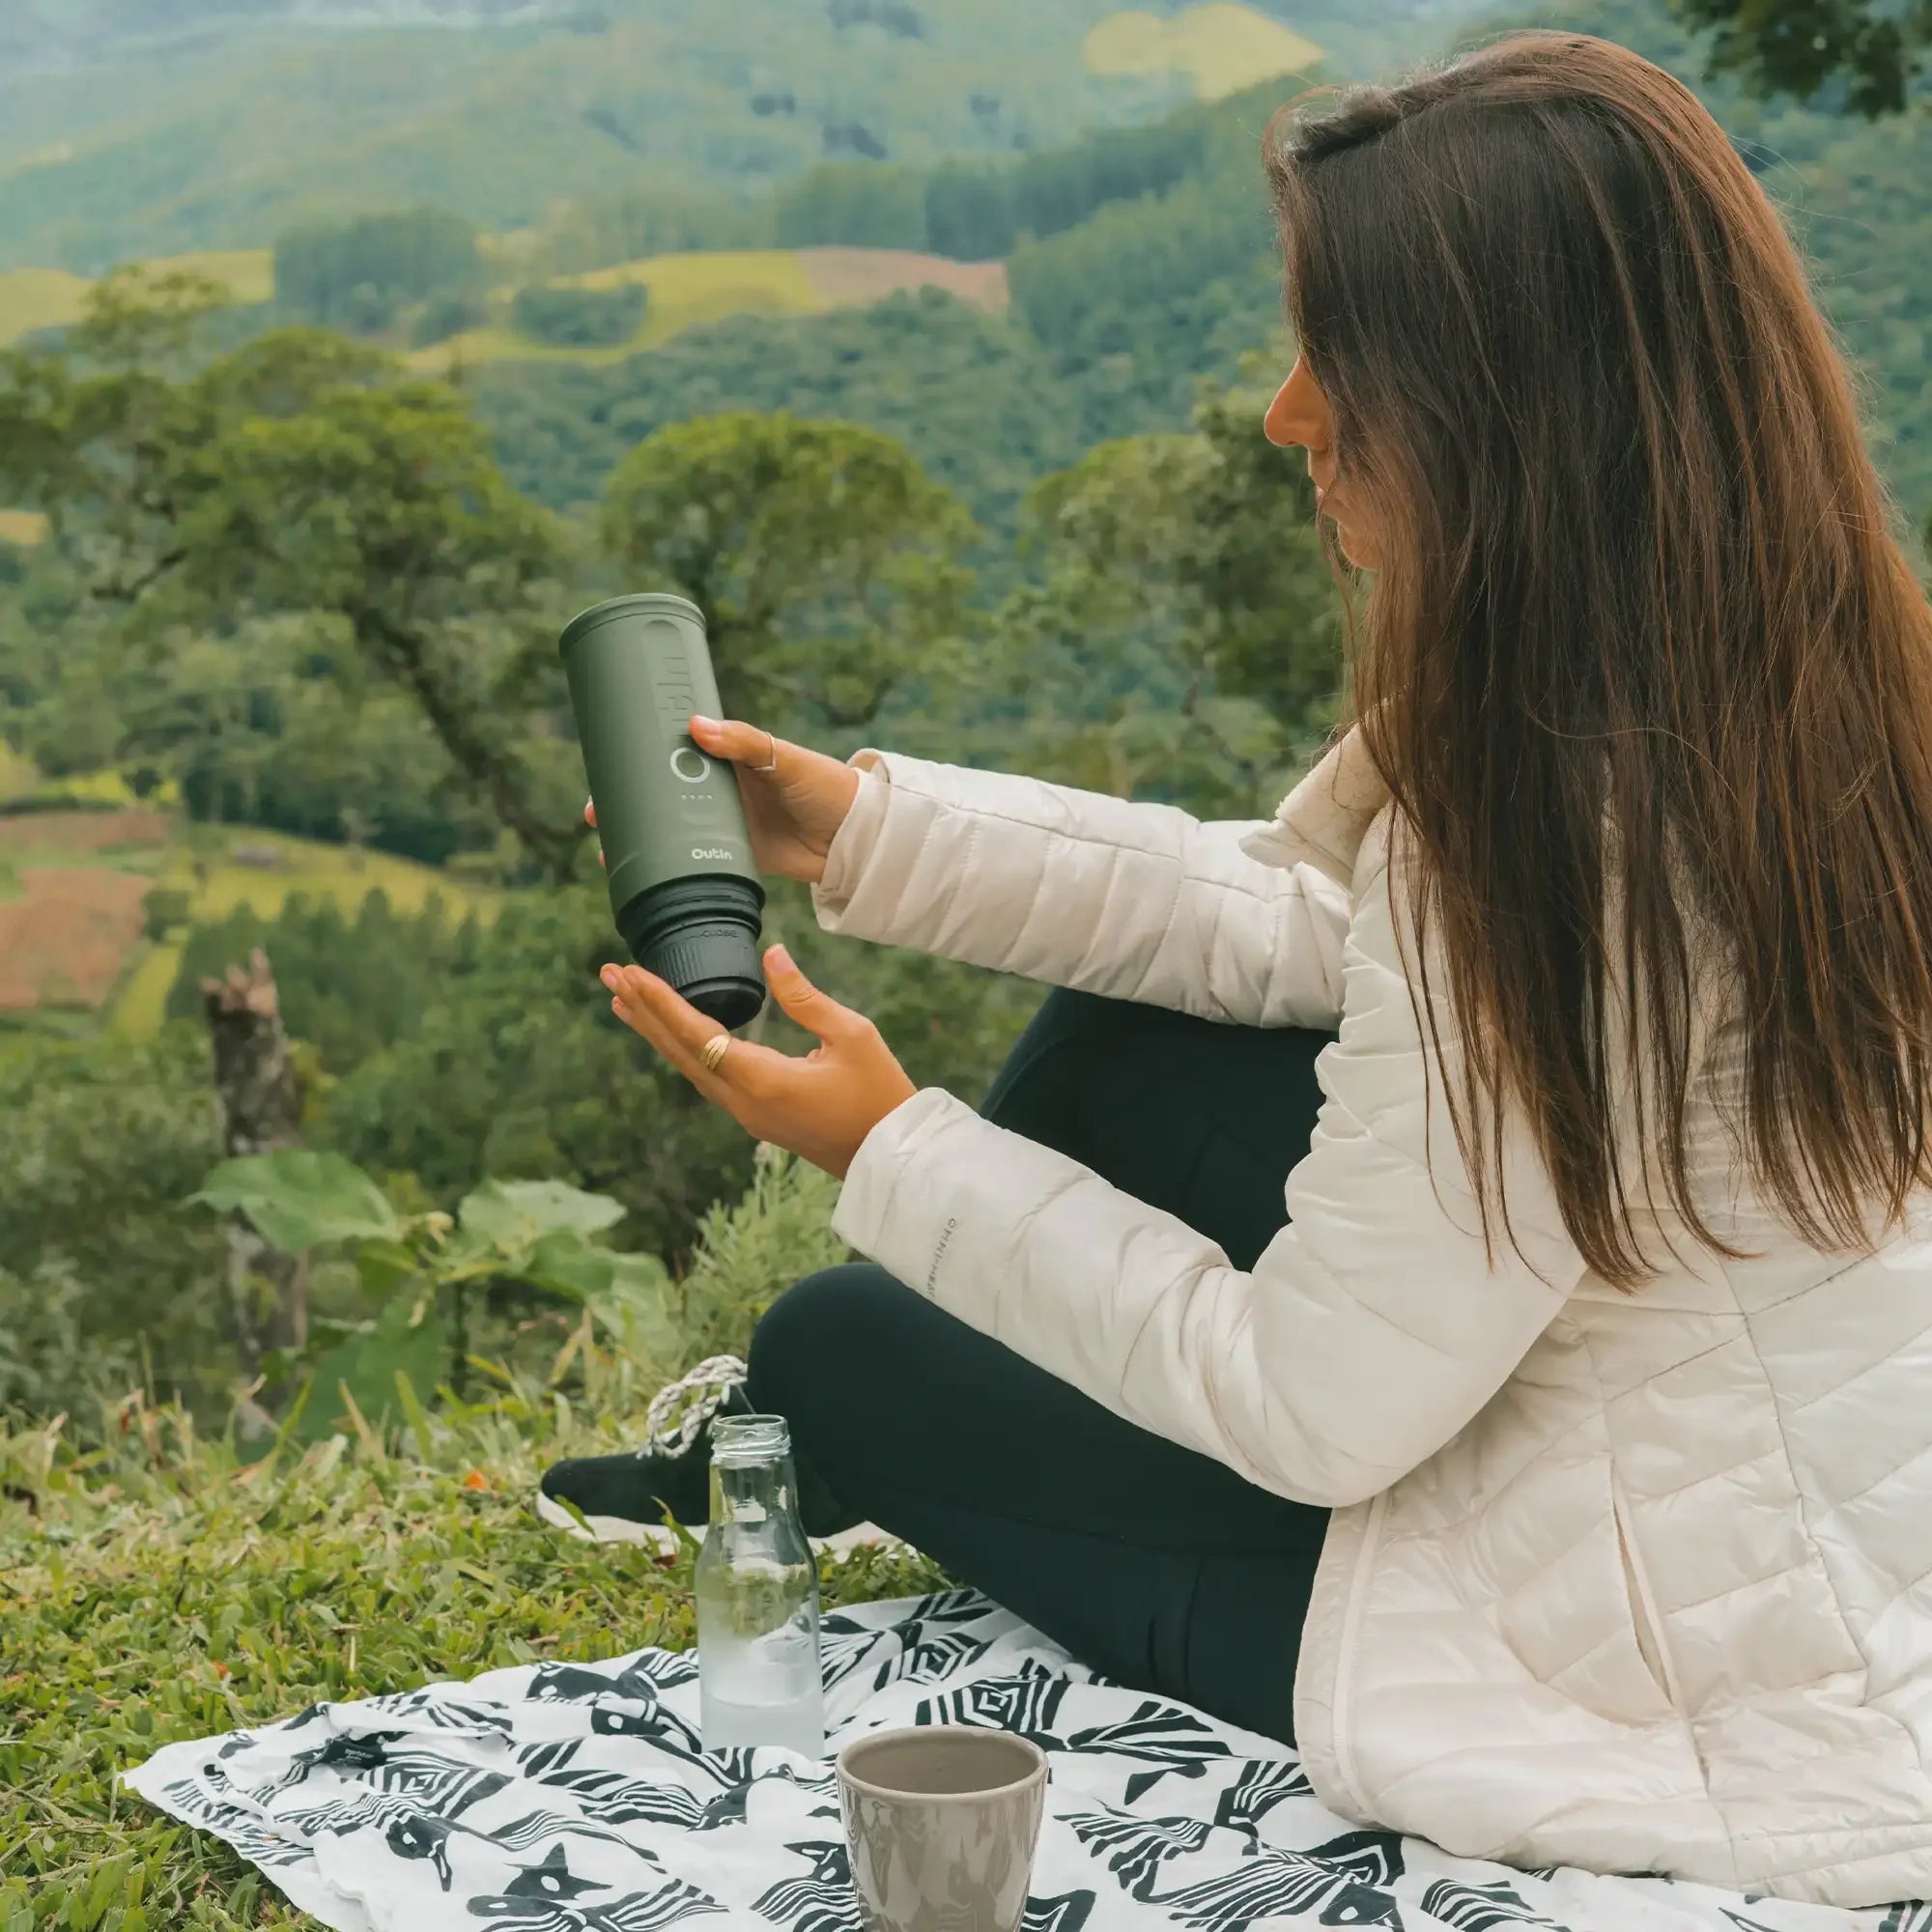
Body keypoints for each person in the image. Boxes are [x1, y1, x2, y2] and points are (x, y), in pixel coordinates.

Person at [539, 31, 1932, 1910]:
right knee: (1149, 1018)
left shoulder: (1552, 822)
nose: (1289, 414)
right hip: (1788, 1524)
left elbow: (1312, 1410)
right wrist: (862, 826)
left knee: (832, 1343)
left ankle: (822, 1431)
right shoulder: (1789, 668)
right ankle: (920, 1394)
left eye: (1333, 364)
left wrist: (891, 1149)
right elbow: (1290, 920)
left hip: (1626, 1652)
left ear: (1491, 410)